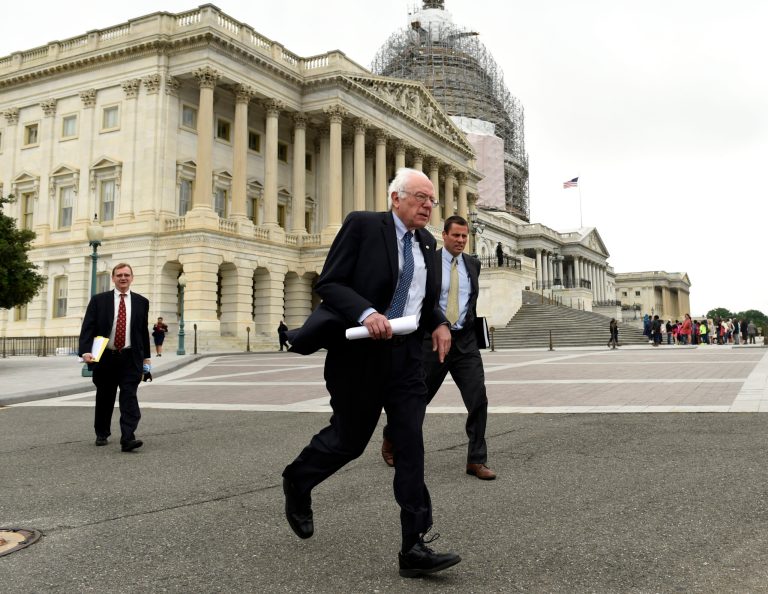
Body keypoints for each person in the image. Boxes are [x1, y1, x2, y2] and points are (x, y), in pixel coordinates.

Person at [282, 168, 460, 578]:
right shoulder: (363, 226)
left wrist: (438, 322)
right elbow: (331, 282)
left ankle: (414, 547)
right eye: (420, 198)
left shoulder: (428, 243)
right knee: (349, 440)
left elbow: (424, 301)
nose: (428, 206)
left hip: (406, 360)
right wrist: (367, 312)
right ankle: (298, 480)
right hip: (359, 355)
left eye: (431, 200)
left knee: (411, 445)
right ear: (395, 198)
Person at [382, 215, 495, 480]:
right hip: (432, 341)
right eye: (456, 235)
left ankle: (476, 460)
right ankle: (391, 437)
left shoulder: (472, 264)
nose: (460, 240)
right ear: (444, 235)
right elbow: (418, 298)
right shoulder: (428, 261)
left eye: (465, 236)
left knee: (478, 399)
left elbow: (470, 302)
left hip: (464, 343)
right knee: (416, 399)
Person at [78, 263, 150, 452]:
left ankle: (128, 438)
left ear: (132, 278)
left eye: (126, 275)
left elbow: (142, 332)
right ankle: (102, 432)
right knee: (105, 397)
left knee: (129, 397)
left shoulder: (142, 302)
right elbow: (88, 327)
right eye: (119, 275)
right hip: (105, 357)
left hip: (130, 357)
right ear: (113, 278)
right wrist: (85, 351)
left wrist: (146, 359)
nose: (123, 278)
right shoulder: (99, 300)